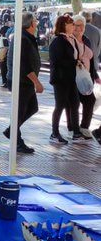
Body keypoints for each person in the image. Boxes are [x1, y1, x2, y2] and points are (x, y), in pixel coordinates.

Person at [2, 12, 43, 154]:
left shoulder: (26, 37)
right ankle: (16, 139)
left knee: (31, 108)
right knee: (20, 112)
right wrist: (37, 82)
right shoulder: (22, 39)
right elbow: (24, 65)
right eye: (35, 21)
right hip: (20, 81)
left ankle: (12, 132)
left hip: (24, 82)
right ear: (30, 23)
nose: (36, 23)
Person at [48, 13, 81, 144]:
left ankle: (76, 132)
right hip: (60, 78)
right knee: (60, 105)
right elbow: (58, 60)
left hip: (71, 78)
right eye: (71, 23)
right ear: (64, 25)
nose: (74, 26)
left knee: (75, 103)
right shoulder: (58, 41)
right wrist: (75, 62)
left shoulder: (69, 39)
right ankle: (54, 133)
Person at [72, 15, 97, 138]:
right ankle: (74, 129)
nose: (80, 28)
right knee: (74, 103)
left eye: (82, 25)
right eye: (77, 25)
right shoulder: (69, 40)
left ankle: (84, 127)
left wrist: (94, 75)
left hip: (86, 77)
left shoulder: (86, 40)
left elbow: (91, 59)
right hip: (73, 78)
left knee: (90, 100)